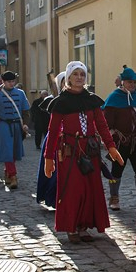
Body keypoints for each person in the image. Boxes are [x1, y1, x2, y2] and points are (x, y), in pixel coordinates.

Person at [43, 62, 124, 242]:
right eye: (76, 74)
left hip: (90, 151)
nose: (80, 77)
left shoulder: (92, 100)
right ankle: (71, 227)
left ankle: (83, 226)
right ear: (69, 78)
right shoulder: (60, 103)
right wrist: (49, 158)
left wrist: (111, 147)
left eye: (83, 74)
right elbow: (54, 131)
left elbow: (102, 126)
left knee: (89, 189)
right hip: (70, 152)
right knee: (73, 191)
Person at [102, 66, 136, 210]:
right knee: (116, 172)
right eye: (130, 82)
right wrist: (113, 138)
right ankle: (114, 198)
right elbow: (106, 123)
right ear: (123, 82)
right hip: (121, 144)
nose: (133, 85)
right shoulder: (114, 98)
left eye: (135, 82)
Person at [0, 71, 31, 190]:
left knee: (14, 151)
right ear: (3, 82)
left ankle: (8, 171)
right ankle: (13, 175)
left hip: (16, 125)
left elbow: (26, 111)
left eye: (13, 81)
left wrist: (25, 124)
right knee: (7, 150)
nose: (11, 83)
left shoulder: (20, 93)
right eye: (9, 82)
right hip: (3, 126)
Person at [35, 74, 65, 208]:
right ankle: (53, 199)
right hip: (56, 140)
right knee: (55, 173)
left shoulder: (82, 99)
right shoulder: (54, 101)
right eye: (64, 82)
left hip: (73, 141)